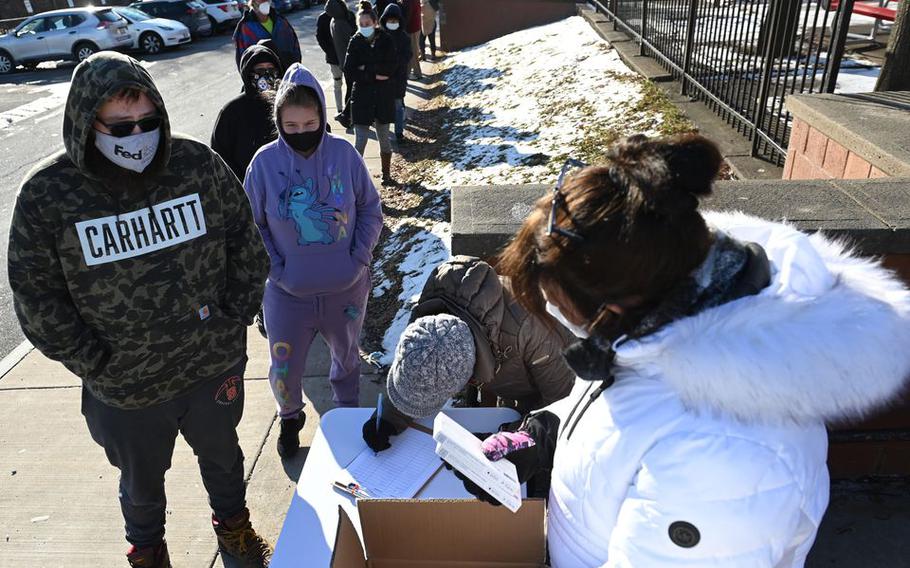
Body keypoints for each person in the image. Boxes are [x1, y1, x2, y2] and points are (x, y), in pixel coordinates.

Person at [452, 134, 910, 567]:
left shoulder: (727, 449)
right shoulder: (656, 331)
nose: (555, 314)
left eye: (558, 303)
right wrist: (540, 436)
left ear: (611, 307)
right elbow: (621, 412)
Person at [8, 52, 272, 568]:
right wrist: (95, 360)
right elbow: (36, 297)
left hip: (209, 366)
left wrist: (233, 316)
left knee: (224, 458)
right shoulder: (49, 195)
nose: (137, 135)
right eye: (121, 125)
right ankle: (147, 550)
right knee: (142, 483)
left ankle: (234, 529)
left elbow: (245, 240)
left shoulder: (196, 165)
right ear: (88, 122)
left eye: (148, 122)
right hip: (127, 388)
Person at [244, 63, 383, 458]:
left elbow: (370, 209)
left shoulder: (344, 155)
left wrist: (359, 257)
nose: (302, 133)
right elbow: (253, 225)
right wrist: (277, 269)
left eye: (310, 123)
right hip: (288, 296)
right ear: (278, 122)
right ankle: (290, 418)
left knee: (347, 361)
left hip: (347, 290)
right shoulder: (264, 165)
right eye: (291, 126)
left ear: (322, 116)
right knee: (284, 369)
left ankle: (346, 417)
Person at [362, 256, 575, 455]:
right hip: (511, 379)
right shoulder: (430, 322)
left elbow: (563, 406)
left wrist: (515, 438)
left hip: (552, 390)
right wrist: (390, 417)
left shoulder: (534, 329)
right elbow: (420, 369)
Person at [344, 1, 397, 184]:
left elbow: (391, 67)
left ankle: (387, 175)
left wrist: (366, 68)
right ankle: (354, 179)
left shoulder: (386, 40)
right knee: (360, 141)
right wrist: (373, 73)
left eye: (367, 24)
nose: (364, 28)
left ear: (375, 23)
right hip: (362, 98)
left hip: (383, 97)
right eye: (361, 25)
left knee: (384, 138)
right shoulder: (355, 41)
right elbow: (349, 71)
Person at [211, 44, 281, 181]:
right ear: (247, 73)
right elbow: (219, 157)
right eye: (260, 70)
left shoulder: (287, 103)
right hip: (248, 188)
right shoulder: (232, 111)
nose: (266, 75)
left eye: (271, 69)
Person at [233, 0, 301, 73]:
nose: (265, 2)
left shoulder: (281, 21)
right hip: (262, 77)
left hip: (287, 73)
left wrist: (295, 69)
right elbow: (242, 60)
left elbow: (295, 47)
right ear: (253, 2)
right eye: (261, 1)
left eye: (267, 0)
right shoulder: (245, 27)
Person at [380, 3, 412, 146]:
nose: (392, 23)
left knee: (398, 107)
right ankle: (385, 134)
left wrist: (397, 61)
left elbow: (408, 54)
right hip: (384, 79)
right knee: (384, 108)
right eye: (389, 21)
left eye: (395, 21)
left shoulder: (404, 37)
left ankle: (399, 133)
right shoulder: (380, 37)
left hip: (398, 78)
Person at [325, 0, 356, 128]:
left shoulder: (334, 21)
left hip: (344, 61)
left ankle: (347, 115)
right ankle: (346, 115)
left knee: (351, 89)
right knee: (353, 90)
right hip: (351, 61)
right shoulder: (341, 23)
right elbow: (352, 40)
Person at [316, 4, 344, 114]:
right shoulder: (323, 18)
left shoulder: (345, 15)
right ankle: (340, 109)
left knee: (352, 84)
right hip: (334, 57)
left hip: (348, 56)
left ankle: (348, 110)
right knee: (337, 83)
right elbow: (320, 37)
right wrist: (329, 50)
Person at [403, 0, 422, 79]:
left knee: (413, 51)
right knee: (413, 50)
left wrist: (403, 26)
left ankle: (417, 73)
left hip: (411, 27)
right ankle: (411, 72)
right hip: (415, 25)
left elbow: (408, 13)